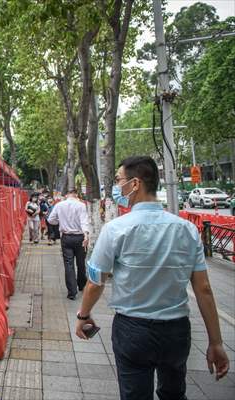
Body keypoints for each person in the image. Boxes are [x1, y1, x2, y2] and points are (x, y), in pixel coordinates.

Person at [77, 156, 230, 399]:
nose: (117, 187)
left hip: (132, 330)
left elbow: (96, 282)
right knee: (174, 393)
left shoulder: (116, 229)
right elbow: (204, 289)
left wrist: (83, 315)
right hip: (176, 331)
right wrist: (216, 342)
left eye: (119, 181)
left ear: (135, 183)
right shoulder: (187, 230)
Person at [47, 188, 90, 300]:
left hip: (66, 237)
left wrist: (60, 222)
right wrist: (86, 235)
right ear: (76, 194)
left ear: (67, 195)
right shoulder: (81, 205)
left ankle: (72, 292)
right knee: (81, 263)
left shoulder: (59, 205)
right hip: (80, 237)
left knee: (68, 264)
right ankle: (82, 285)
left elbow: (51, 220)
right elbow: (84, 221)